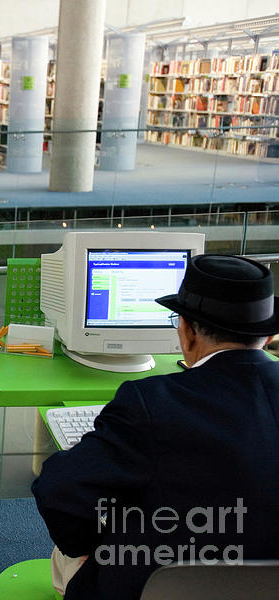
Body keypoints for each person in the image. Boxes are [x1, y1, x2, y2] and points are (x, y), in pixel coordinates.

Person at [32, 254, 279, 600]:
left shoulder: (151, 402)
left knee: (65, 558)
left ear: (187, 331)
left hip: (155, 587)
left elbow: (58, 489)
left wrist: (93, 546)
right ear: (266, 336)